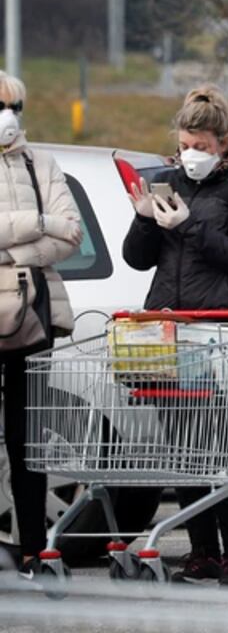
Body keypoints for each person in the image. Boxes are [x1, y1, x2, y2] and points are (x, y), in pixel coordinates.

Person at [123, 85, 228, 587]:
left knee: (220, 445)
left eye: (202, 147)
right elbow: (137, 258)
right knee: (183, 448)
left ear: (223, 143)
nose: (191, 156)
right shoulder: (170, 182)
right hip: (170, 330)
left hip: (221, 332)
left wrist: (190, 227)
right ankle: (200, 549)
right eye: (186, 146)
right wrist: (146, 220)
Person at [0, 71, 83, 577]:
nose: (8, 116)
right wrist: (33, 224)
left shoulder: (42, 163)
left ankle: (33, 547)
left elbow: (71, 233)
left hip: (35, 312)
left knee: (27, 435)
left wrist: (8, 250)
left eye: (14, 106)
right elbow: (50, 226)